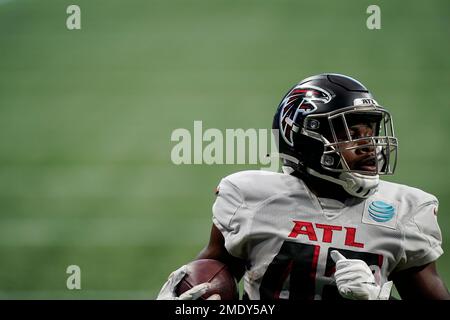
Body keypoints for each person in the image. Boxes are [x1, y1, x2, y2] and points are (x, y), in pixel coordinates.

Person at [157, 73, 449, 300]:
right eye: (349, 134)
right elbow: (211, 273)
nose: (369, 146)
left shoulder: (406, 212)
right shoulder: (250, 197)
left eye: (370, 133)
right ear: (304, 139)